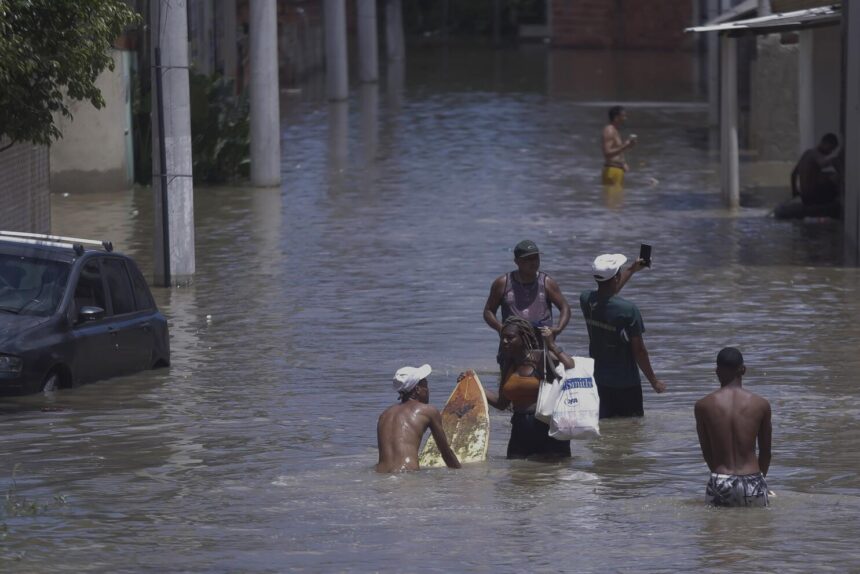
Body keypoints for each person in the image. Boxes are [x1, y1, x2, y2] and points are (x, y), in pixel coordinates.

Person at [580, 253, 666, 419]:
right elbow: (639, 351)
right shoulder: (628, 310)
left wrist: (632, 270)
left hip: (598, 381)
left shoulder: (586, 300)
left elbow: (606, 293)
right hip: (626, 384)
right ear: (616, 277)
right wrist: (654, 381)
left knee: (604, 430)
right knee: (631, 432)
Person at [484, 316, 575, 459]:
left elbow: (570, 365)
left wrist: (551, 345)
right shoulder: (508, 364)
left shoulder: (542, 358)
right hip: (519, 429)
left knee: (551, 477)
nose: (504, 342)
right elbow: (501, 403)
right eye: (502, 338)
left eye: (510, 338)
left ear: (523, 338)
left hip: (548, 428)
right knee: (517, 474)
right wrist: (473, 384)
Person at [695, 348, 772, 507]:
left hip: (720, 479)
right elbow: (766, 452)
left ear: (717, 371)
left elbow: (707, 451)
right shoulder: (761, 404)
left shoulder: (703, 405)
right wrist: (760, 480)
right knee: (759, 530)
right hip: (753, 479)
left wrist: (720, 477)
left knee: (717, 530)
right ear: (743, 370)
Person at [483, 239, 571, 375]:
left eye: (536, 258)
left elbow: (565, 307)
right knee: (509, 388)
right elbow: (488, 311)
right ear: (516, 261)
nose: (533, 262)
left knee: (542, 385)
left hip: (541, 346)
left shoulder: (547, 282)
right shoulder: (503, 283)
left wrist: (557, 329)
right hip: (512, 347)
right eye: (528, 259)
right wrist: (501, 328)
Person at [376, 364, 461, 473]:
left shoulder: (384, 415)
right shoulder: (427, 411)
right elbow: (446, 453)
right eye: (426, 386)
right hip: (408, 475)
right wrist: (461, 475)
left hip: (381, 477)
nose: (428, 390)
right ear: (417, 389)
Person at [791, 133, 841, 207]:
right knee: (837, 176)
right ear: (825, 143)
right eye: (831, 148)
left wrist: (795, 192)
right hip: (813, 196)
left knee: (829, 174)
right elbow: (823, 163)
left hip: (805, 197)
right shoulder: (814, 154)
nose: (830, 152)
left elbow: (793, 174)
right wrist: (836, 159)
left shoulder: (807, 154)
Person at [602, 106, 637, 188]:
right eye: (623, 116)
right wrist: (625, 146)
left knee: (618, 200)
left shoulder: (615, 130)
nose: (625, 118)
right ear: (616, 117)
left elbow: (616, 151)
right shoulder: (609, 130)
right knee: (612, 200)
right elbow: (607, 153)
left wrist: (623, 162)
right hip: (611, 171)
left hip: (617, 171)